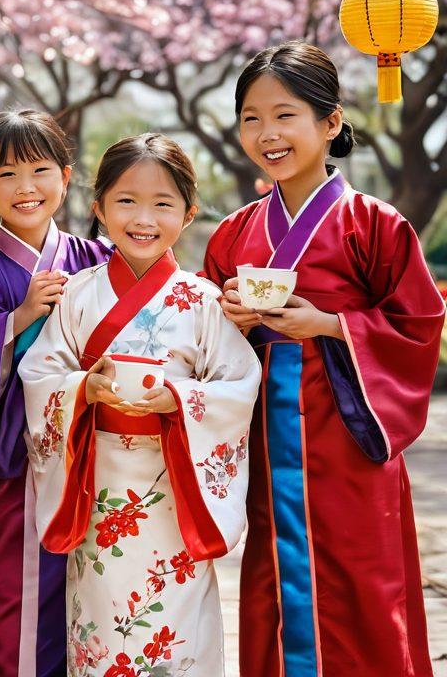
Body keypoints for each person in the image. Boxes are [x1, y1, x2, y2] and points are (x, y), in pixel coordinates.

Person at [203, 41, 444, 677]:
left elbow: (419, 325)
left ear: (330, 122)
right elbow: (205, 338)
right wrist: (233, 321)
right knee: (272, 579)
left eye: (285, 115)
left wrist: (332, 325)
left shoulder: (376, 224)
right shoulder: (234, 231)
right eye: (250, 117)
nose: (266, 134)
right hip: (266, 441)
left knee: (364, 581)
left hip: (348, 436)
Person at [22, 133, 260, 677]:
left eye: (163, 204)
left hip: (176, 487)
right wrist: (83, 388)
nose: (143, 218)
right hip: (100, 490)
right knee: (101, 619)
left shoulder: (202, 299)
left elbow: (239, 383)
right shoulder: (78, 294)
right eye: (126, 201)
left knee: (178, 623)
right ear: (98, 205)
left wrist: (180, 397)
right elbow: (40, 374)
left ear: (190, 212)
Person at [0, 109, 111, 677]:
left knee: (94, 595)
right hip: (11, 468)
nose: (26, 189)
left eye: (40, 170)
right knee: (10, 603)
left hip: (91, 459)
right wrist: (17, 317)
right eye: (6, 175)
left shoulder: (100, 261)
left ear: (67, 176)